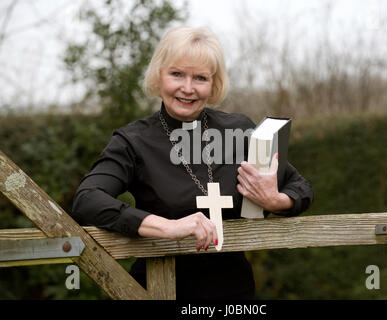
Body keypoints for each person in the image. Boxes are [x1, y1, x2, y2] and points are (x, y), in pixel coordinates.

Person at [71, 26, 313, 300]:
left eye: (200, 78)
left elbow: (300, 187)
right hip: (158, 288)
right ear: (159, 75)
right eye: (177, 74)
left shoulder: (239, 130)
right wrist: (168, 227)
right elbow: (87, 200)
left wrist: (276, 201)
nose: (187, 88)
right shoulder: (134, 141)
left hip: (233, 292)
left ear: (214, 84)